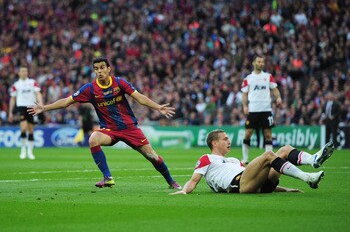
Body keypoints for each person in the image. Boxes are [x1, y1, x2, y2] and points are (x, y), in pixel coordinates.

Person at [28, 57, 181, 189]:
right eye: (96, 69)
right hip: (109, 130)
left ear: (109, 69)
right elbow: (66, 101)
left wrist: (158, 107)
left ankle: (171, 180)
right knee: (93, 139)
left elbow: (139, 98)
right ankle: (108, 177)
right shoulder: (90, 89)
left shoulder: (119, 83)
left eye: (102, 68)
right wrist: (44, 107)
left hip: (129, 128)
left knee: (152, 156)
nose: (99, 71)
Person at [171, 129, 334, 195]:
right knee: (269, 155)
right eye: (225, 139)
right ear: (214, 143)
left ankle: (312, 160)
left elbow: (257, 175)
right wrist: (185, 191)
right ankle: (307, 177)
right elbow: (193, 181)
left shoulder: (233, 160)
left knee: (284, 149)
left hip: (256, 184)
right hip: (238, 184)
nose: (229, 141)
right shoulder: (206, 158)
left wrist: (285, 189)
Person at [241, 55, 282, 164]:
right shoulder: (248, 78)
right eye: (259, 62)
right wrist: (245, 106)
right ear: (254, 63)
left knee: (268, 134)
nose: (261, 64)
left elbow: (274, 89)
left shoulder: (268, 76)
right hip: (253, 110)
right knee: (248, 133)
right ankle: (245, 158)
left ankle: (270, 158)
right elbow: (244, 94)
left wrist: (278, 97)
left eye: (262, 62)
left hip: (266, 109)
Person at [8, 65, 43, 159]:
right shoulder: (16, 85)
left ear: (27, 72)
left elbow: (38, 93)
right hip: (21, 107)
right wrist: (10, 112)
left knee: (31, 129)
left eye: (25, 71)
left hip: (31, 107)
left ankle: (30, 152)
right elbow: (12, 99)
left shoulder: (32, 82)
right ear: (19, 73)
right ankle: (23, 150)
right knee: (23, 127)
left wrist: (41, 104)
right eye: (22, 71)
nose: (24, 72)